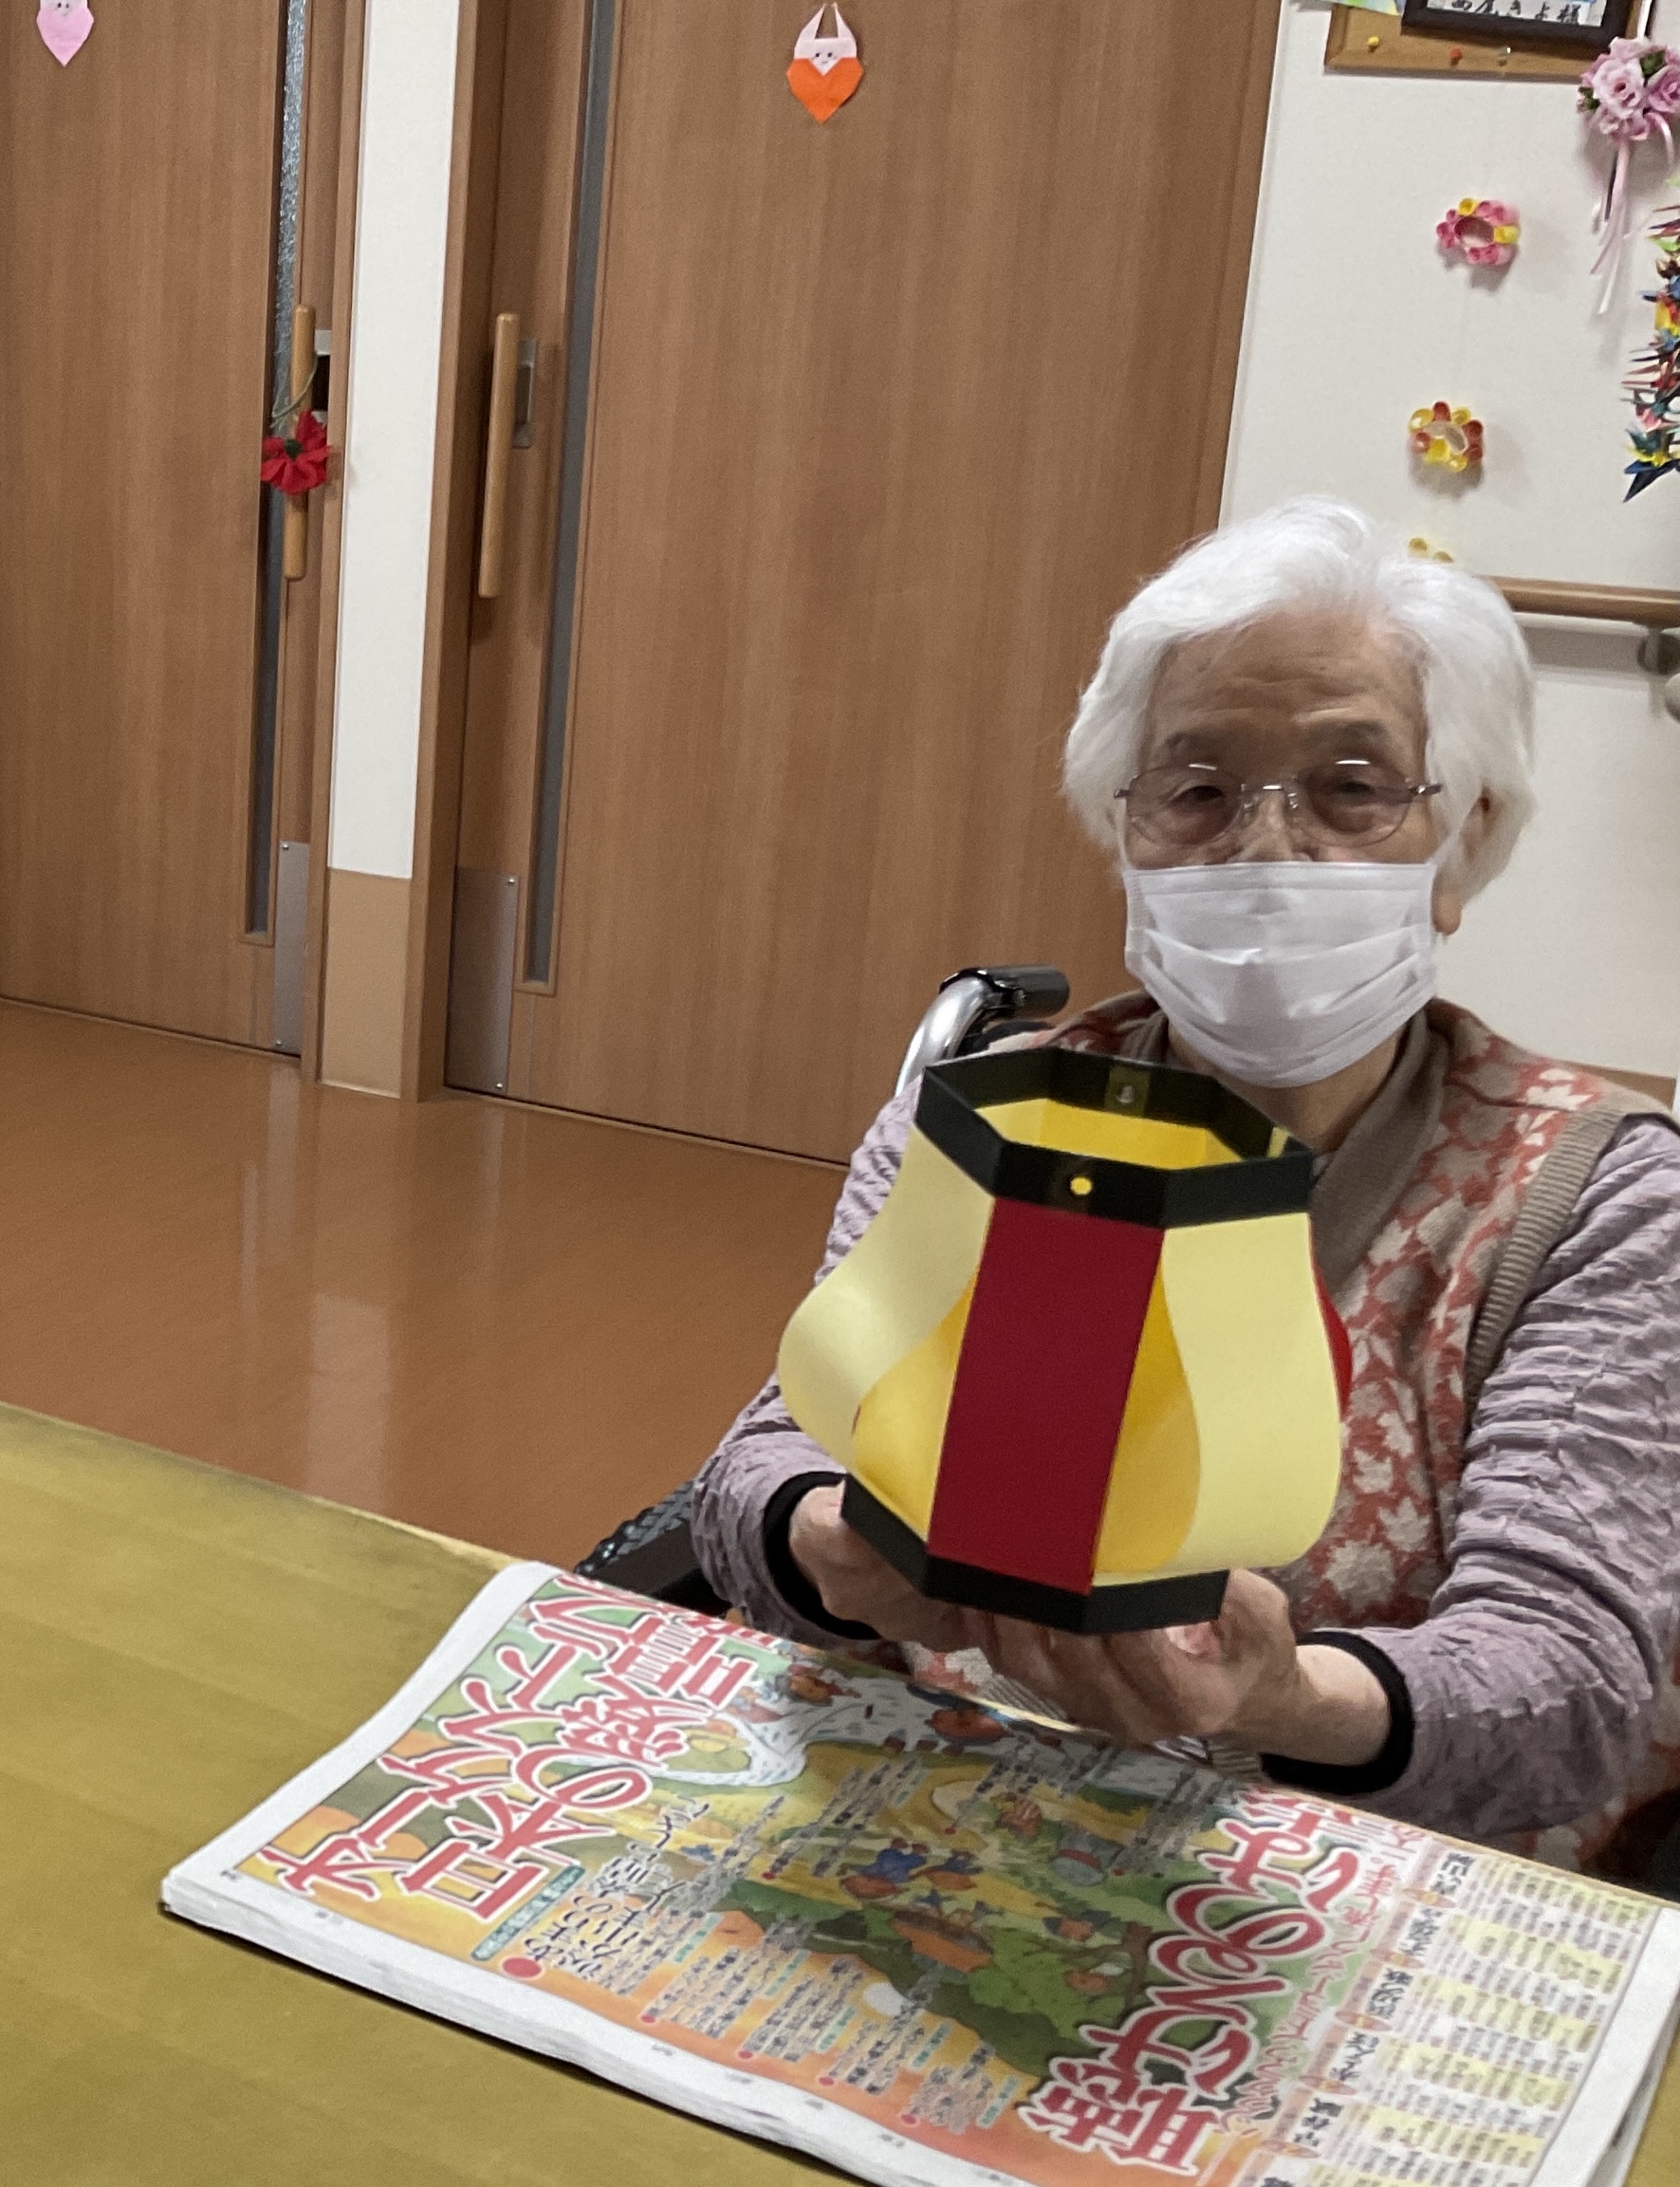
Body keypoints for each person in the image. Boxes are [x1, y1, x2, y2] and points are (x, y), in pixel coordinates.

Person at [692, 498, 1680, 1881]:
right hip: (928, 1815)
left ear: (1462, 839)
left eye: (1350, 789)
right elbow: (759, 1462)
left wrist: (1287, 1700)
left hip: (1325, 1881)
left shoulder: (1593, 1196)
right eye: (1197, 792)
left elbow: (1569, 1685)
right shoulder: (984, 1113)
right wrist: (820, 1542)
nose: (1265, 850)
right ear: (1124, 834)